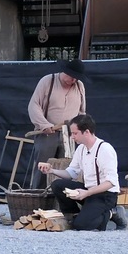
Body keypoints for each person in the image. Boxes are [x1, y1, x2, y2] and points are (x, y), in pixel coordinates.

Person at [40, 114, 127, 231]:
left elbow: (111, 182)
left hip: (105, 195)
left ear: (86, 132)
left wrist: (87, 193)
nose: (72, 137)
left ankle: (113, 213)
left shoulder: (105, 149)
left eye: (75, 133)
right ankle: (73, 215)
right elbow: (71, 173)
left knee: (82, 226)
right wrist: (51, 170)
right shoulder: (81, 149)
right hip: (88, 191)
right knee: (57, 185)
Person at [27, 59, 87, 189]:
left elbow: (81, 112)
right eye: (72, 77)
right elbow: (34, 105)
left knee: (67, 168)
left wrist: (79, 129)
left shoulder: (79, 86)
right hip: (48, 134)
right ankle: (38, 196)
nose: (73, 80)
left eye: (76, 78)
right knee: (43, 168)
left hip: (69, 135)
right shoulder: (48, 81)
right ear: (65, 71)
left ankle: (61, 198)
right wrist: (44, 124)